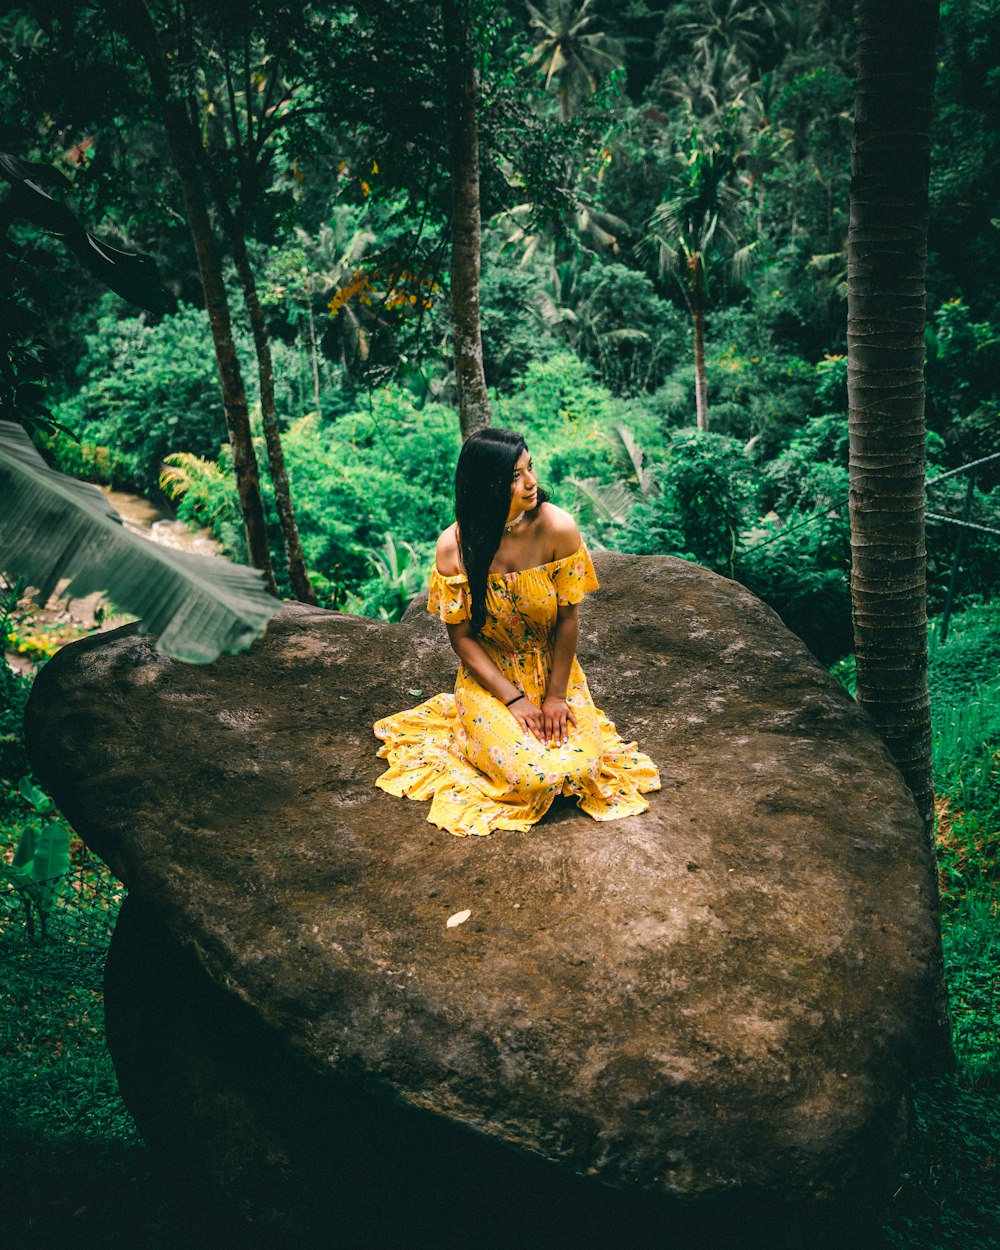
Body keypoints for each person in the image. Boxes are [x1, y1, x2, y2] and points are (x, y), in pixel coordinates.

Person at [373, 427, 660, 837]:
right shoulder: (454, 546)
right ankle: (471, 731)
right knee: (532, 776)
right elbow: (462, 638)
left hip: (552, 671)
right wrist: (514, 700)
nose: (531, 482)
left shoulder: (557, 528)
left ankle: (530, 723)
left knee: (582, 767)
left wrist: (556, 696)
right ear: (485, 485)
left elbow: (567, 619)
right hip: (489, 678)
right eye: (514, 476)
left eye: (530, 468)